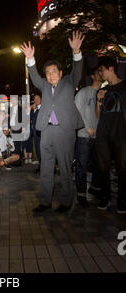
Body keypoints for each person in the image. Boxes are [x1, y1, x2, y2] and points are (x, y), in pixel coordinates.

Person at [20, 30, 85, 213]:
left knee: (64, 168)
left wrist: (76, 52)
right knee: (46, 168)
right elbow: (34, 77)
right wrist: (31, 60)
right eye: (47, 72)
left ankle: (66, 202)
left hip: (65, 131)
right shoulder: (45, 85)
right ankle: (45, 202)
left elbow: (78, 69)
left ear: (61, 72)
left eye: (53, 71)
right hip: (46, 131)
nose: (50, 75)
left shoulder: (70, 82)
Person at [95, 57, 126, 213]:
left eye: (102, 70)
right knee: (103, 168)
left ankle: (122, 201)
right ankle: (105, 198)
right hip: (103, 135)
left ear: (111, 68)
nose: (100, 73)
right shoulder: (104, 90)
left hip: (121, 135)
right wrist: (99, 101)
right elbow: (98, 116)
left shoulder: (124, 86)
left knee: (123, 168)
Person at [74, 67, 103, 207]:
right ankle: (81, 195)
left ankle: (95, 189)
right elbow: (77, 112)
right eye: (98, 72)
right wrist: (87, 128)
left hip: (99, 137)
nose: (100, 74)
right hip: (84, 136)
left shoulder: (103, 93)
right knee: (82, 165)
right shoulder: (84, 92)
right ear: (92, 76)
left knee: (99, 166)